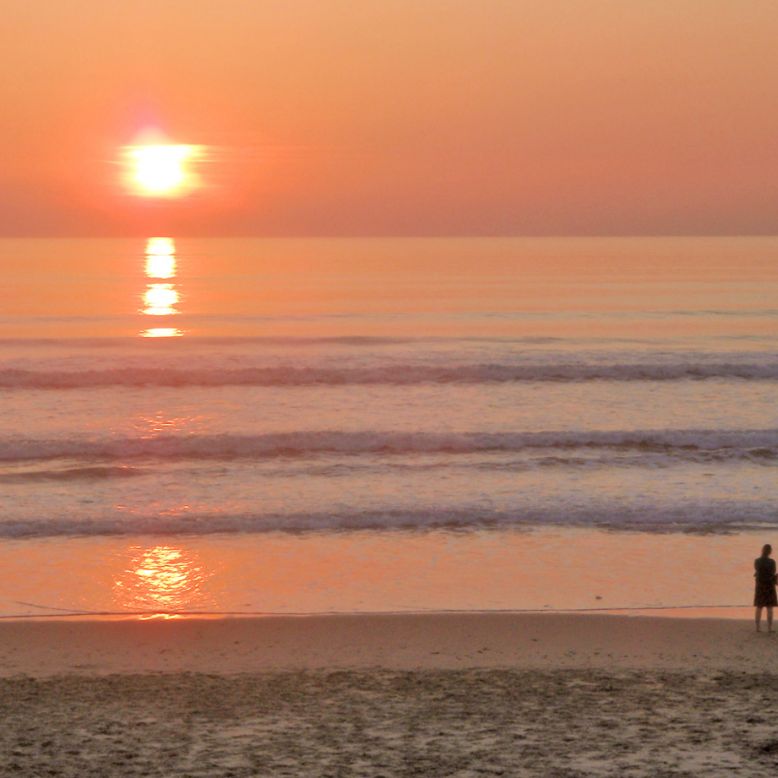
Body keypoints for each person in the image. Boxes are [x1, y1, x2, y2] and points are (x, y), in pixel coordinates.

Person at [754, 544, 777, 632]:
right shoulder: (772, 562)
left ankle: (757, 627)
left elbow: (757, 570)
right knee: (770, 608)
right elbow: (773, 572)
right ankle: (769, 628)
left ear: (762, 550)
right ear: (770, 551)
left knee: (759, 607)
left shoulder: (757, 561)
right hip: (769, 585)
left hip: (760, 585)